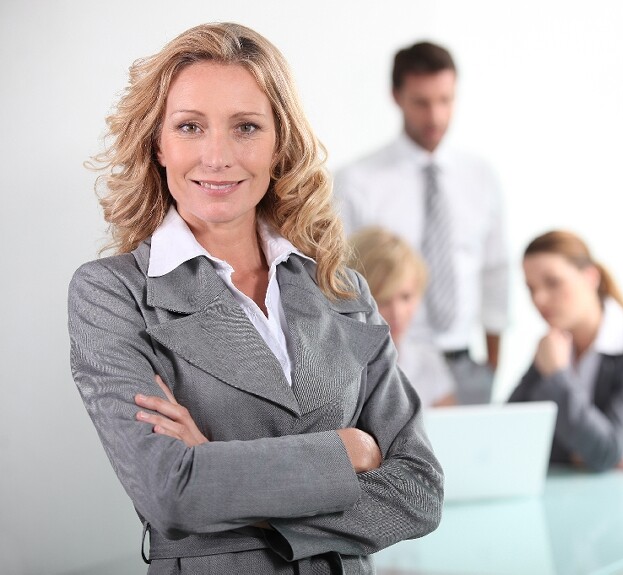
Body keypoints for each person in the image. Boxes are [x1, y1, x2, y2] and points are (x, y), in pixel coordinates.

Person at [68, 23, 442, 574]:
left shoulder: (339, 287)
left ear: (279, 143)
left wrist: (225, 478)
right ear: (159, 144)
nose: (217, 156)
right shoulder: (113, 293)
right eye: (190, 126)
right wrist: (351, 453)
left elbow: (419, 491)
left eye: (245, 127)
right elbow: (171, 492)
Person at [334, 40, 508, 404]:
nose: (436, 117)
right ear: (396, 96)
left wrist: (492, 366)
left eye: (446, 100)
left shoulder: (481, 176)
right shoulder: (357, 181)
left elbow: (495, 272)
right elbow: (339, 282)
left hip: (466, 363)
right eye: (422, 102)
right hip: (392, 362)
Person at [508, 231, 623, 472]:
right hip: (597, 493)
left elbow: (606, 450)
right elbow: (511, 435)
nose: (539, 299)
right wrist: (583, 452)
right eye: (531, 288)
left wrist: (557, 376)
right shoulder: (554, 349)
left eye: (552, 283)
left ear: (590, 277)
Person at [348, 227, 457, 408]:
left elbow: (453, 429)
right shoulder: (339, 368)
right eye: (383, 300)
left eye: (406, 297)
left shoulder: (428, 362)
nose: (397, 313)